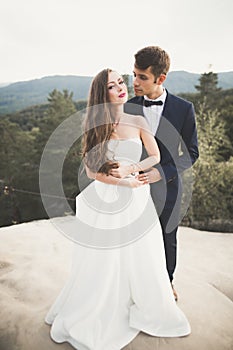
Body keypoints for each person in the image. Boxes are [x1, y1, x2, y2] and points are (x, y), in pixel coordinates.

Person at [45, 68, 191, 350]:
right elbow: (90, 170)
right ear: (103, 93)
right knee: (107, 257)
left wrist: (133, 169)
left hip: (137, 198)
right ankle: (103, 305)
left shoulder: (138, 119)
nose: (121, 88)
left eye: (121, 82)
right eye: (112, 86)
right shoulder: (94, 125)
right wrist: (121, 183)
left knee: (142, 253)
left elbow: (155, 156)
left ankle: (142, 299)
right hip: (107, 198)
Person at [124, 46, 199, 300]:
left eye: (142, 77)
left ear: (161, 78)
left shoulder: (183, 109)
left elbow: (192, 152)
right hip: (134, 186)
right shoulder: (129, 107)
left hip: (168, 185)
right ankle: (134, 283)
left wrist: (163, 172)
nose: (134, 82)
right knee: (134, 235)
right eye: (133, 74)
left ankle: (166, 282)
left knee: (168, 236)